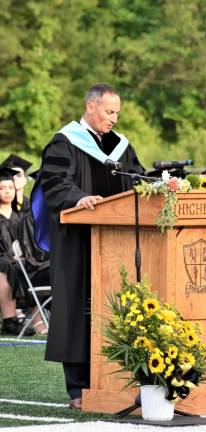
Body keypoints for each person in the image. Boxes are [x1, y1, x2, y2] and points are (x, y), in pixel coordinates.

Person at [32, 83, 144, 410]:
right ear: (91, 107)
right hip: (78, 242)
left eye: (117, 113)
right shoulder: (64, 143)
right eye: (110, 112)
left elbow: (136, 180)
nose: (114, 119)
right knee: (79, 309)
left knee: (117, 305)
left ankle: (117, 382)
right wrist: (80, 198)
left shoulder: (120, 147)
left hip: (118, 243)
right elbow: (54, 184)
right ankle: (79, 389)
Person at [0, 167, 35, 336]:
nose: (7, 192)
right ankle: (10, 320)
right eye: (2, 188)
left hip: (19, 259)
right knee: (5, 263)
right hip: (3, 260)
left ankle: (36, 318)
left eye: (10, 188)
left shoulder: (20, 217)